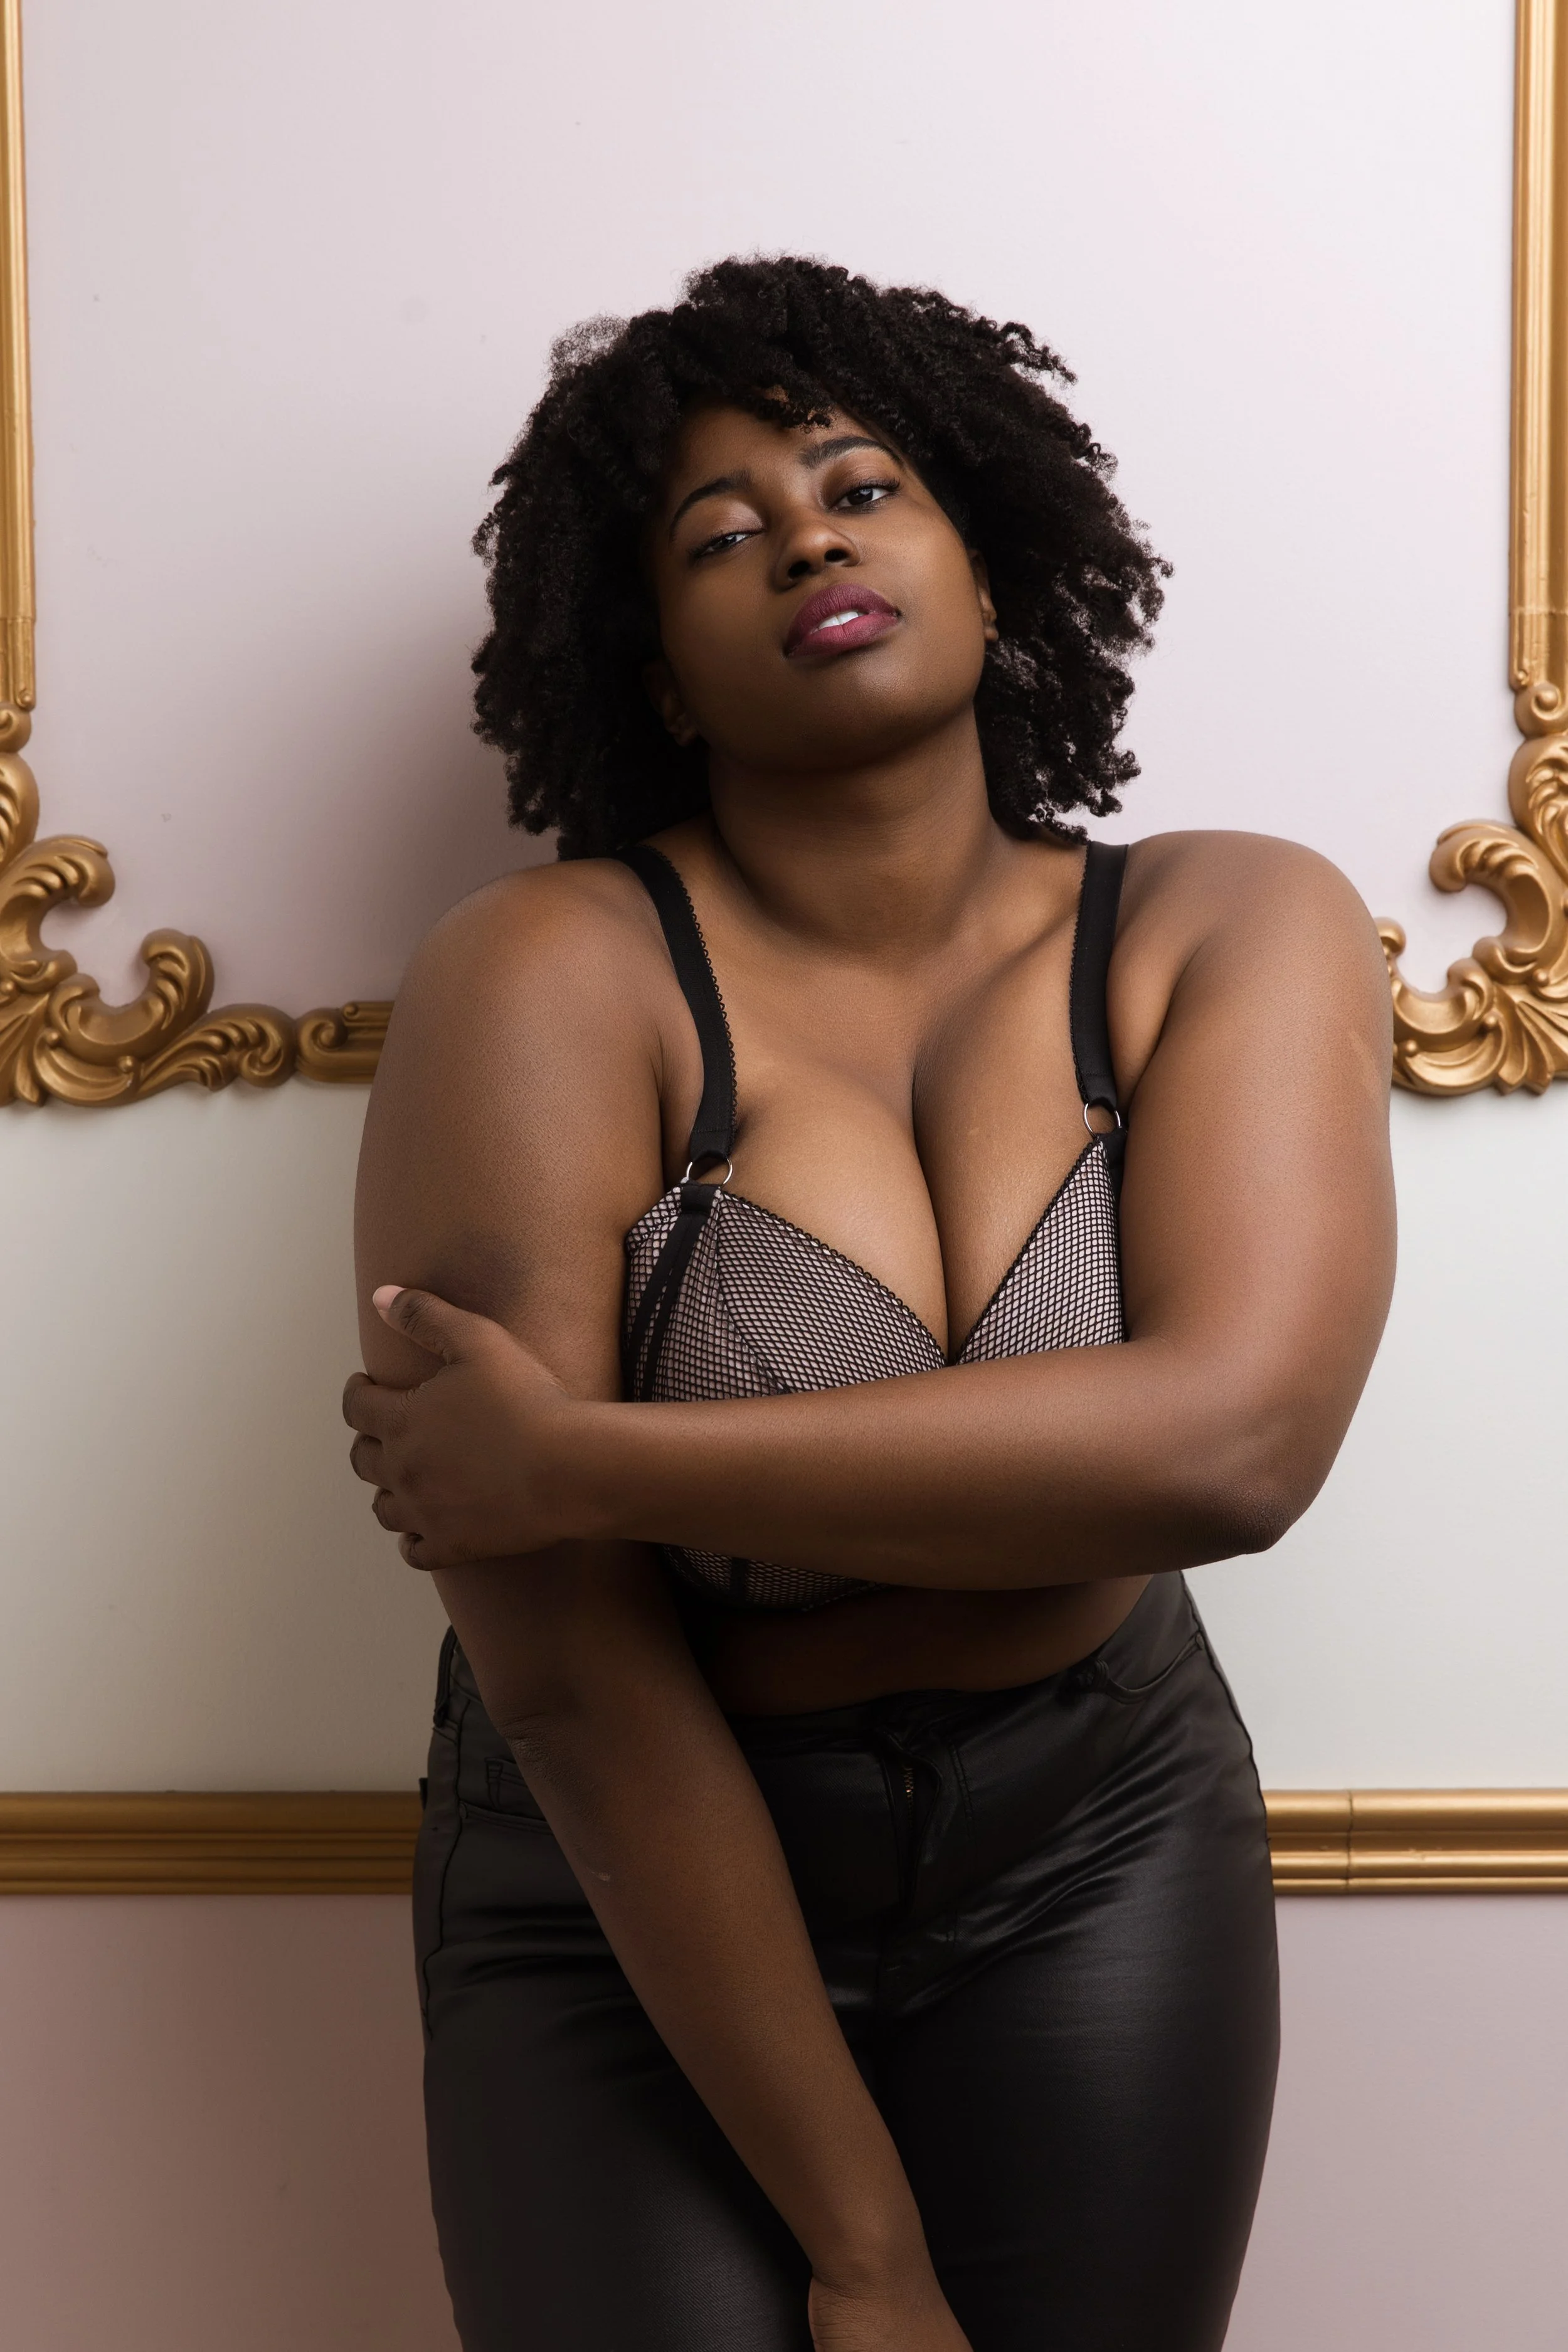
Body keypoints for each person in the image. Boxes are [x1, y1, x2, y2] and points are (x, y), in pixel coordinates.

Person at [343, 257, 1396, 2352]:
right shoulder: (542, 978)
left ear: (992, 574)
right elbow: (562, 1663)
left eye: (858, 484)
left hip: (1096, 1837)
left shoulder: (1228, 919)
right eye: (717, 533)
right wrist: (863, 2243)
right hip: (618, 1895)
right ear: (654, 671)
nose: (803, 534)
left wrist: (582, 1458)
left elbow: (1234, 1445)